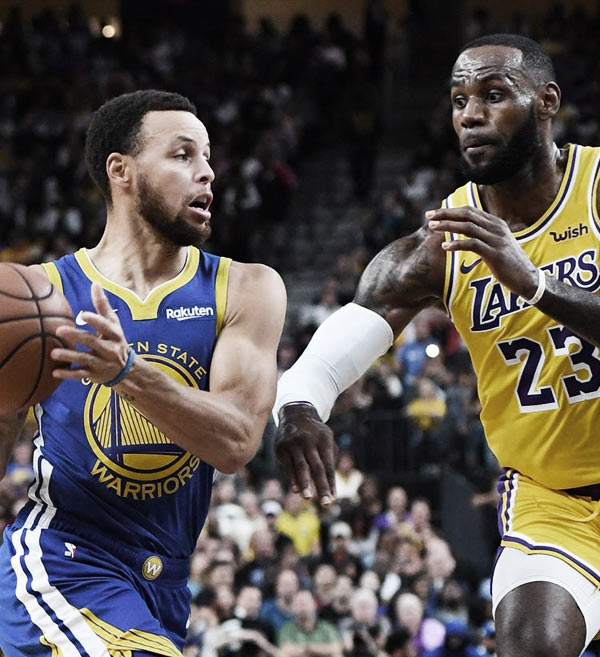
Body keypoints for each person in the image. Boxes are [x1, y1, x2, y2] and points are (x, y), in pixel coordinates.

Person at [273, 33, 600, 656]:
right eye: (458, 100)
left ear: (547, 101)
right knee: (531, 645)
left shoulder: (597, 188)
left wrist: (534, 284)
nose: (470, 114)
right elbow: (329, 356)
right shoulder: (441, 245)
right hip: (553, 503)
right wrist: (297, 406)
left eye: (493, 95)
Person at [0, 89, 286, 656]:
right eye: (183, 155)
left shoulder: (245, 288)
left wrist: (126, 372)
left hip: (164, 585)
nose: (207, 172)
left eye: (207, 157)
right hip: (62, 560)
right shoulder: (40, 297)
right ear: (121, 171)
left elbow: (234, 442)